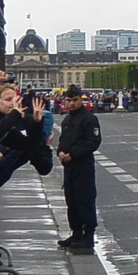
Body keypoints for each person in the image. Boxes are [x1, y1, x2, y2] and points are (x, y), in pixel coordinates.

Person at [55, 87, 102, 251]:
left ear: (80, 100)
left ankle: (88, 235)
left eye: (75, 100)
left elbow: (93, 142)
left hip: (83, 165)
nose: (72, 103)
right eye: (69, 100)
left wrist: (73, 154)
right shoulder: (66, 120)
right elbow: (63, 140)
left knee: (85, 199)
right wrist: (60, 152)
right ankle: (76, 232)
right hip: (69, 167)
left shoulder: (89, 119)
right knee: (71, 200)